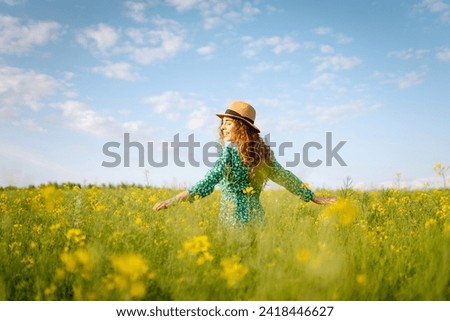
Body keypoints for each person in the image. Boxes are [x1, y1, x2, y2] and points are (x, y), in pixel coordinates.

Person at [153, 100, 337, 227]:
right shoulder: (262, 154)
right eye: (222, 124)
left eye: (228, 123)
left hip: (233, 222)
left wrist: (172, 201)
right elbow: (285, 177)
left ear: (241, 127)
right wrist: (313, 197)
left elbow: (206, 184)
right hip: (258, 221)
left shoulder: (229, 153)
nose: (222, 127)